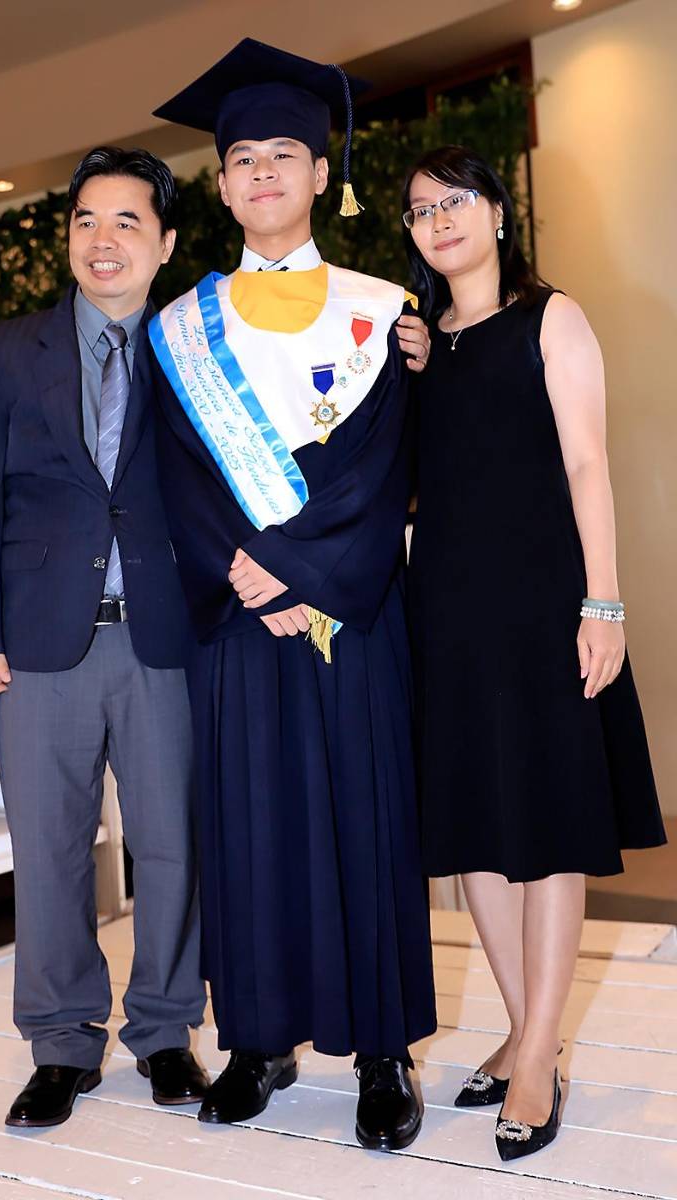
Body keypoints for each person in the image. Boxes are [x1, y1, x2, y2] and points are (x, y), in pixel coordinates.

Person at [148, 39, 436, 1152]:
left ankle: (381, 1052)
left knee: (366, 820)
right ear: (221, 186)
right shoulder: (181, 330)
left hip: (349, 615)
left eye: (284, 153)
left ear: (322, 174)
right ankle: (258, 1041)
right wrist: (245, 572)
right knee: (250, 829)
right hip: (240, 621)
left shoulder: (381, 310)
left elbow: (381, 468)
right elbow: (179, 475)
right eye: (242, 159)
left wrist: (299, 570)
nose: (262, 171)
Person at [395, 145, 665, 1160]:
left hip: (544, 603)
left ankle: (538, 1055)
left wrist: (604, 603)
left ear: (498, 212)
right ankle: (525, 1032)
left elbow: (588, 464)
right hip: (445, 611)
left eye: (456, 200)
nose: (439, 220)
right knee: (474, 828)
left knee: (546, 826)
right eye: (420, 210)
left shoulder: (553, 318)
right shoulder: (418, 346)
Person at [0, 147, 209, 1128]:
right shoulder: (7, 349)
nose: (103, 240)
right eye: (86, 221)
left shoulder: (197, 354)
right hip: (37, 642)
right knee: (49, 850)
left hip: (166, 639)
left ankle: (166, 1031)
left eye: (126, 221)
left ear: (165, 243)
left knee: (172, 845)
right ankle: (60, 1043)